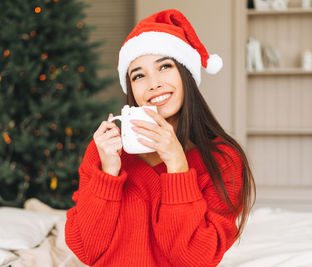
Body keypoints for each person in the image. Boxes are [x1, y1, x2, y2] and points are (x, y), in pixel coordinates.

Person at [65, 9, 255, 267]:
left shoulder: (223, 159)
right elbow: (86, 251)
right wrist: (108, 174)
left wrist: (177, 166)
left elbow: (194, 260)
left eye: (165, 66)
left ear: (185, 74)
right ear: (130, 88)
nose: (153, 84)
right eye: (139, 75)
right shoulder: (106, 151)